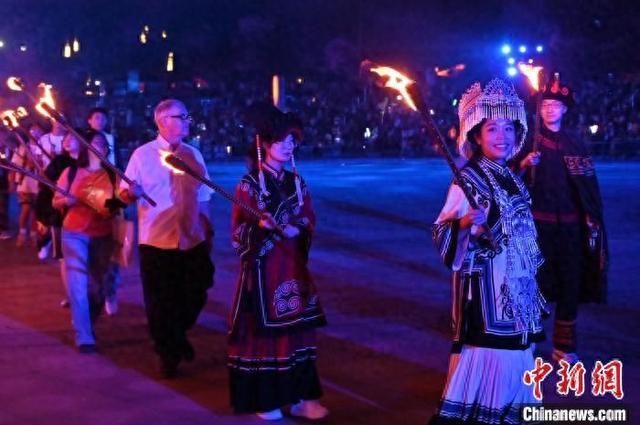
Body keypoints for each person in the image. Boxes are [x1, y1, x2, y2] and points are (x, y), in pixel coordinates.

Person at [430, 79, 546, 424]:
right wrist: (465, 223)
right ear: (476, 136)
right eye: (492, 128)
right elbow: (441, 231)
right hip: (488, 291)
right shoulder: (468, 179)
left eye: (509, 128)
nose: (502, 136)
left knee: (522, 355)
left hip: (520, 287)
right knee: (498, 357)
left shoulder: (511, 176)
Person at [228, 104, 328, 421]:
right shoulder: (249, 185)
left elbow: (308, 215)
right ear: (264, 144)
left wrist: (298, 226)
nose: (288, 146)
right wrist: (261, 227)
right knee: (267, 335)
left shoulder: (297, 182)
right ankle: (268, 398)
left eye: (292, 141)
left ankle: (301, 397)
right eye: (281, 140)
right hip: (264, 272)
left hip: (294, 268)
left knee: (300, 333)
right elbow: (238, 233)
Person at [120, 99, 214, 378]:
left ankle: (177, 333)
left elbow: (204, 194)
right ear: (162, 121)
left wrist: (208, 230)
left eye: (187, 116)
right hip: (156, 240)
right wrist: (131, 194)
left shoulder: (193, 155)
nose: (187, 121)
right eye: (180, 116)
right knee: (160, 301)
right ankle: (168, 353)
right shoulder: (142, 155)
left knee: (197, 289)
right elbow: (124, 193)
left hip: (192, 237)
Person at [517, 74, 608, 363]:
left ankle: (564, 346)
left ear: (565, 110)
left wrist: (591, 221)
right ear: (540, 109)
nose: (551, 110)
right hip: (538, 226)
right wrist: (523, 164)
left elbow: (587, 187)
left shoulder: (574, 142)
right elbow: (508, 181)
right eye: (546, 106)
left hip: (570, 227)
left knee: (570, 282)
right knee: (536, 282)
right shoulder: (528, 141)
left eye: (556, 106)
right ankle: (529, 339)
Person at [53, 131, 126, 353]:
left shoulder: (114, 175)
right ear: (86, 147)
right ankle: (84, 336)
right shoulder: (71, 172)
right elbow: (56, 201)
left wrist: (127, 197)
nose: (99, 147)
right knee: (77, 284)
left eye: (103, 144)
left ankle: (88, 320)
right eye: (94, 143)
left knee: (97, 286)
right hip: (73, 232)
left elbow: (122, 203)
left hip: (103, 235)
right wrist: (68, 199)